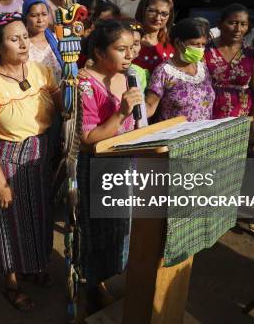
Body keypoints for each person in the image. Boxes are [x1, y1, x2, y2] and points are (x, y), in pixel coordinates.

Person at [0, 12, 61, 311]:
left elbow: (63, 108)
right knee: (9, 221)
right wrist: (1, 183)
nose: (22, 44)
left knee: (40, 214)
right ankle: (12, 283)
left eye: (24, 36)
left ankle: (34, 266)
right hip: (6, 158)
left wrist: (72, 83)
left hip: (41, 152)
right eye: (13, 39)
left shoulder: (40, 72)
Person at [78, 20, 147, 309]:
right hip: (100, 168)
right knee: (99, 232)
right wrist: (120, 113)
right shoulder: (84, 84)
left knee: (124, 228)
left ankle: (117, 277)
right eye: (121, 49)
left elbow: (139, 121)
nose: (129, 55)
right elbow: (89, 138)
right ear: (99, 51)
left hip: (127, 164)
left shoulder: (129, 77)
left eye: (131, 47)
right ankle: (95, 288)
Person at [205, 3, 254, 141]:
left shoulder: (251, 54)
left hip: (240, 118)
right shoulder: (205, 49)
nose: (238, 29)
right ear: (219, 24)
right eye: (232, 23)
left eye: (243, 24)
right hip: (207, 117)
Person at [145, 18, 215, 122]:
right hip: (176, 135)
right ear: (178, 42)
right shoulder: (164, 71)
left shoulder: (202, 68)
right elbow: (150, 106)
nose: (200, 48)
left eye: (203, 44)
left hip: (203, 135)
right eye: (195, 44)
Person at [23, 0, 63, 82]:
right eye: (34, 16)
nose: (40, 20)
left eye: (44, 14)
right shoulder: (22, 45)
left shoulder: (58, 40)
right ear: (25, 17)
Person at [133, 0, 176, 71]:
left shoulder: (172, 44)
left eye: (164, 14)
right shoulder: (129, 41)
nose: (157, 18)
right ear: (142, 11)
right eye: (152, 11)